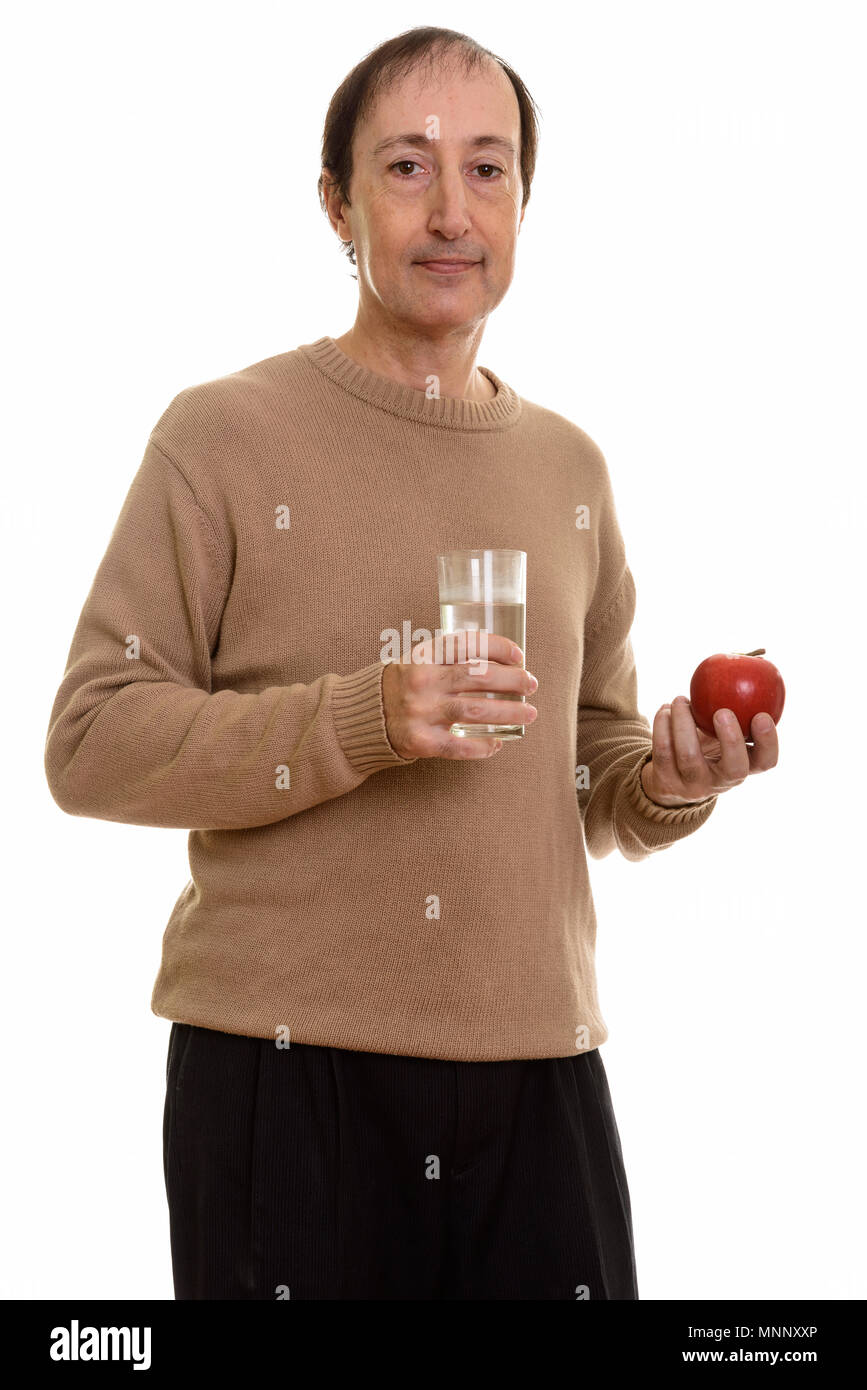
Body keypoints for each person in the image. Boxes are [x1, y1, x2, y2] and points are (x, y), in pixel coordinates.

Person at [44, 25, 779, 1301]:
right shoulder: (221, 437)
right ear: (333, 201)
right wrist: (370, 715)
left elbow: (594, 768)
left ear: (524, 204)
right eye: (405, 168)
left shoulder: (570, 467)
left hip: (541, 1067)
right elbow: (91, 739)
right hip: (285, 1075)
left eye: (488, 170)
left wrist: (674, 778)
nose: (452, 211)